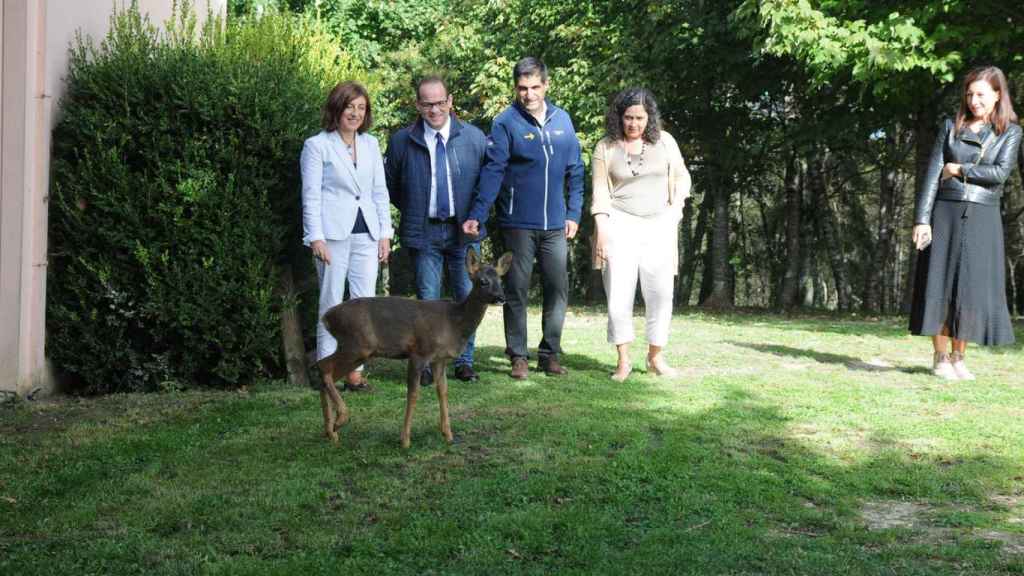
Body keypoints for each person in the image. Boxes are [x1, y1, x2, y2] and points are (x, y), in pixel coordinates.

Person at [463, 57, 584, 380]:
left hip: (556, 224)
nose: (528, 94)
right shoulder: (506, 123)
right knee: (515, 289)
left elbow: (575, 169)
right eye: (522, 88)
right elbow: (493, 171)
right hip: (517, 223)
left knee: (557, 288)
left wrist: (574, 212)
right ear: (515, 88)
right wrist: (478, 212)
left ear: (546, 85)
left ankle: (550, 353)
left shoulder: (563, 120)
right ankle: (518, 355)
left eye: (534, 87)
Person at [910, 66, 1021, 380]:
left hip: (983, 215)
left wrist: (958, 169)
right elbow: (933, 175)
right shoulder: (950, 127)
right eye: (970, 94)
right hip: (944, 212)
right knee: (939, 281)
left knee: (970, 288)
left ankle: (960, 357)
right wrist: (921, 219)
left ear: (998, 95)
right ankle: (941, 357)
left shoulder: (1010, 132)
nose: (974, 100)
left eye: (981, 94)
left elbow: (1000, 173)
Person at [386, 74, 489, 383]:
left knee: (469, 296)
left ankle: (465, 361)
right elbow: (391, 186)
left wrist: (477, 216)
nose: (434, 110)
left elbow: (488, 184)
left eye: (440, 103)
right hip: (424, 232)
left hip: (464, 233)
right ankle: (427, 364)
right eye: (427, 104)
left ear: (450, 102)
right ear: (418, 105)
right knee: (428, 301)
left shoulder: (474, 138)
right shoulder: (402, 141)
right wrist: (416, 209)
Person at [591, 88, 691, 381]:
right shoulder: (605, 147)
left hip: (660, 223)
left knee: (660, 293)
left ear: (650, 118)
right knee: (618, 295)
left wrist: (676, 210)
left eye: (640, 118)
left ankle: (655, 357)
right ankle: (624, 361)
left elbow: (683, 177)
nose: (634, 124)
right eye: (628, 117)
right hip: (620, 224)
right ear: (619, 117)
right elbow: (599, 192)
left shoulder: (666, 142)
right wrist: (602, 232)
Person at [301, 81, 393, 391]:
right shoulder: (317, 145)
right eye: (349, 106)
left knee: (363, 305)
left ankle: (354, 371)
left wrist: (385, 234)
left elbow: (379, 192)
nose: (355, 113)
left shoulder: (370, 144)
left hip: (366, 234)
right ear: (337, 108)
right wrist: (315, 237)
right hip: (331, 236)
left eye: (361, 108)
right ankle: (328, 371)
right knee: (331, 304)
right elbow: (310, 195)